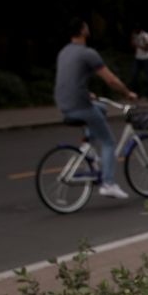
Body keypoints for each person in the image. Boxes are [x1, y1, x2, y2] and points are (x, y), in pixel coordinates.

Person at [54, 19, 136, 199]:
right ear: (83, 31)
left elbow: (69, 80)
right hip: (80, 107)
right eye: (86, 25)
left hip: (64, 104)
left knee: (101, 108)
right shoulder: (88, 53)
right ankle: (108, 183)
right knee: (109, 142)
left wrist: (87, 92)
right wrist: (127, 93)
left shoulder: (64, 52)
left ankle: (90, 147)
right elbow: (111, 80)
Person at [130, 26, 148, 100]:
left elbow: (147, 48)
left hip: (146, 58)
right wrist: (132, 39)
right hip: (138, 58)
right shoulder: (135, 35)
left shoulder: (146, 35)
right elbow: (132, 45)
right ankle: (137, 94)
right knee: (134, 76)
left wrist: (138, 45)